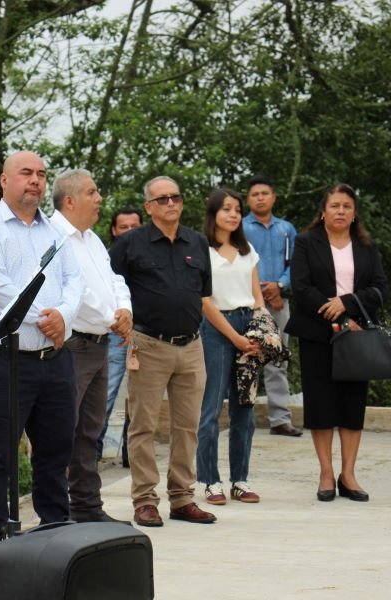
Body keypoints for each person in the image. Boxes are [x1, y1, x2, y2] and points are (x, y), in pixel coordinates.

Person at [0, 150, 84, 554]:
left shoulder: (57, 232)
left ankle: (55, 534)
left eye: (41, 174)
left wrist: (63, 316)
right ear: (4, 180)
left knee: (55, 453)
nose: (35, 180)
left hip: (55, 360)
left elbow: (74, 281)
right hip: (9, 360)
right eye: (26, 173)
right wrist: (43, 319)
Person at [110, 176, 217, 526]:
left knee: (188, 426)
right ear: (149, 207)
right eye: (162, 199)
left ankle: (183, 498)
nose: (170, 203)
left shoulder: (198, 242)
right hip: (147, 345)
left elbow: (203, 293)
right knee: (143, 426)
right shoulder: (130, 244)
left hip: (191, 345)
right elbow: (109, 284)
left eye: (176, 197)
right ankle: (144, 500)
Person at [285, 183, 387, 503]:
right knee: (321, 404)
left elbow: (379, 289)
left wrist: (348, 307)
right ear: (323, 211)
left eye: (347, 206)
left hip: (356, 335)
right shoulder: (305, 243)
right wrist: (335, 316)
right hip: (317, 333)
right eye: (335, 206)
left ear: (354, 213)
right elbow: (301, 288)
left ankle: (349, 474)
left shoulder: (366, 246)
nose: (341, 211)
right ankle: (326, 473)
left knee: (351, 405)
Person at [49, 169, 132, 523]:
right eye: (92, 192)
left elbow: (114, 280)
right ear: (69, 200)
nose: (99, 199)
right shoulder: (52, 236)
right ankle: (57, 512)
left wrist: (125, 308)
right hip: (73, 345)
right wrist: (112, 317)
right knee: (62, 431)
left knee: (89, 431)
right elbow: (72, 292)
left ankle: (87, 507)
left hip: (99, 344)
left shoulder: (92, 239)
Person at [196, 188, 265, 505]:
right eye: (226, 208)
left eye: (237, 209)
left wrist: (258, 333)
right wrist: (234, 338)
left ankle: (241, 479)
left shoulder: (247, 250)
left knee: (245, 409)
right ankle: (210, 481)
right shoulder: (202, 249)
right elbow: (204, 301)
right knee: (211, 409)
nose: (234, 214)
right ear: (214, 213)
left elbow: (258, 296)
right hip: (215, 329)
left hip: (247, 327)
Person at [243, 174, 302, 437]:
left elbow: (295, 265)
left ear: (273, 197)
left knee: (278, 359)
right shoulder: (240, 228)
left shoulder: (287, 229)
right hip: (246, 302)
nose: (260, 198)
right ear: (248, 199)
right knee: (247, 358)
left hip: (280, 301)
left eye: (264, 193)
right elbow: (239, 264)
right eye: (255, 194)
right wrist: (262, 293)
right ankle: (242, 418)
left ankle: (280, 419)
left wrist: (279, 286)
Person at [99, 207, 143, 464]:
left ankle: (132, 455)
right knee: (106, 393)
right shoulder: (105, 257)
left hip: (145, 331)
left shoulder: (151, 253)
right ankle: (92, 451)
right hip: (115, 331)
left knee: (141, 398)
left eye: (134, 227)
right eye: (123, 227)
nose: (128, 232)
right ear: (114, 230)